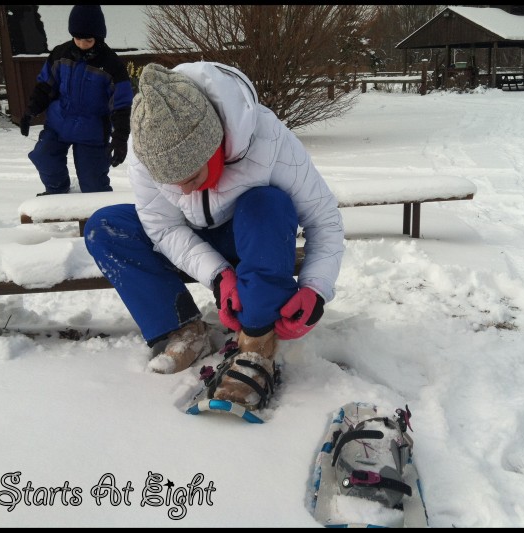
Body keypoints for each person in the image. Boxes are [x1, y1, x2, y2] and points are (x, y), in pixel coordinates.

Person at [84, 62, 344, 409]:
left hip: (251, 236)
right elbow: (162, 225)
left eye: (190, 176)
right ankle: (185, 330)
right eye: (169, 180)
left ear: (213, 145)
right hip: (192, 241)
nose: (181, 188)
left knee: (267, 203)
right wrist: (218, 276)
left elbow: (324, 220)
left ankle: (257, 343)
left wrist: (316, 288)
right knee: (105, 227)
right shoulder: (146, 147)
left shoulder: (267, 140)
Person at [20, 5, 133, 195]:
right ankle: (57, 190)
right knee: (43, 156)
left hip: (92, 130)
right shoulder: (60, 54)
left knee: (94, 185)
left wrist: (120, 137)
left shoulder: (112, 65)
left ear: (98, 36)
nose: (81, 44)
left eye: (88, 40)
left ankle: (99, 216)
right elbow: (45, 86)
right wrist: (30, 110)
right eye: (77, 38)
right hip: (59, 123)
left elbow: (121, 105)